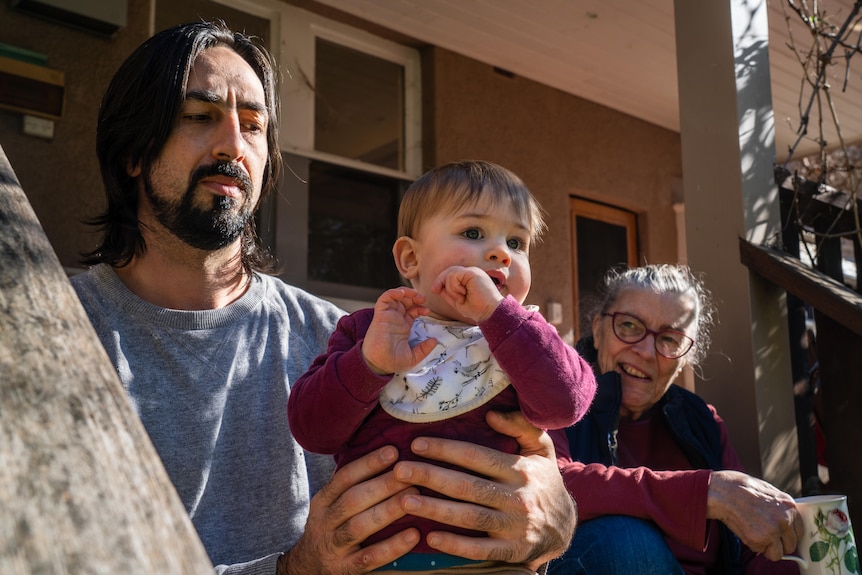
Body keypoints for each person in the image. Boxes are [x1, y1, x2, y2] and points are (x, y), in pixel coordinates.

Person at [70, 20, 576, 575]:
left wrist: (550, 521)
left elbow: (540, 459)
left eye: (254, 126)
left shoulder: (349, 340)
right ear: (132, 152)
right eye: (199, 116)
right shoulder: (63, 338)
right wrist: (296, 569)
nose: (233, 146)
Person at [288, 160, 597, 573]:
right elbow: (312, 429)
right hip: (377, 563)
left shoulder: (523, 339)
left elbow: (566, 403)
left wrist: (500, 317)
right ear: (411, 258)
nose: (501, 252)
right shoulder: (370, 332)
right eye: (473, 233)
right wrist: (369, 363)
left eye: (518, 242)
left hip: (495, 563)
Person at [547, 264, 803, 575]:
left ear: (685, 359)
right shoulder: (555, 395)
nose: (645, 350)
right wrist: (706, 493)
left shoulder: (701, 420)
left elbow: (750, 547)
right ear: (598, 330)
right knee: (628, 543)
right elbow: (553, 486)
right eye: (628, 325)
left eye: (670, 339)